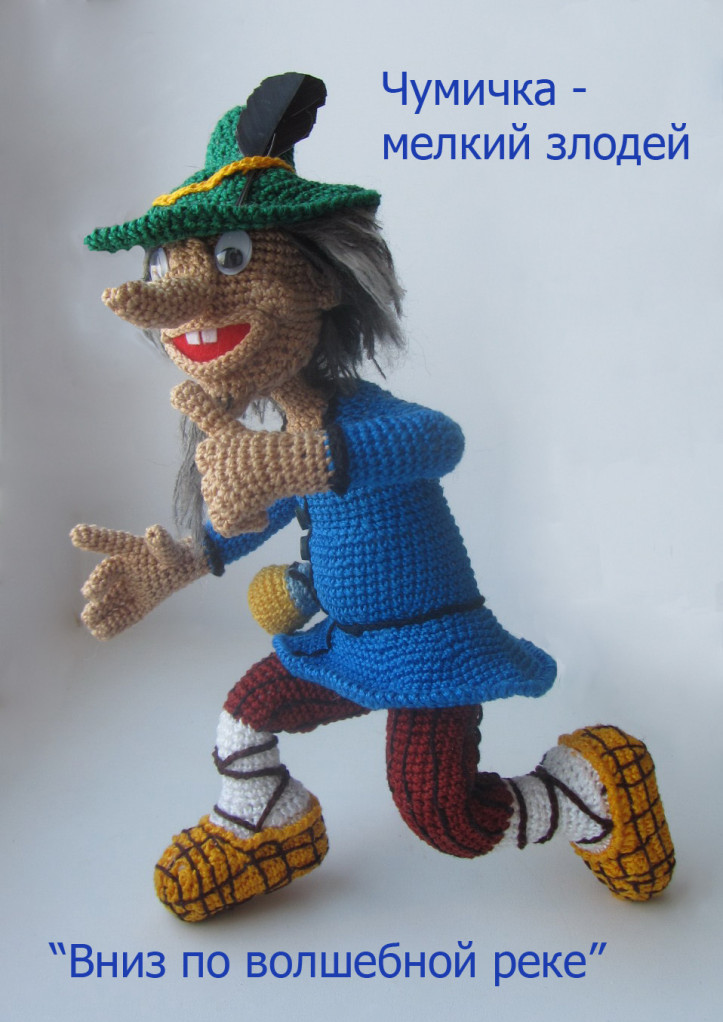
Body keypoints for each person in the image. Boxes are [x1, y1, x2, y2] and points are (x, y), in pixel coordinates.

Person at [72, 74, 674, 923]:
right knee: (247, 712)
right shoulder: (280, 435)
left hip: (427, 647)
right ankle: (265, 820)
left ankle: (582, 791)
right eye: (168, 265)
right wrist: (181, 560)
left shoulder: (360, 421)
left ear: (318, 283)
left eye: (231, 257)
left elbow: (438, 441)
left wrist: (299, 463)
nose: (179, 299)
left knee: (447, 819)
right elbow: (259, 510)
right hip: (346, 645)